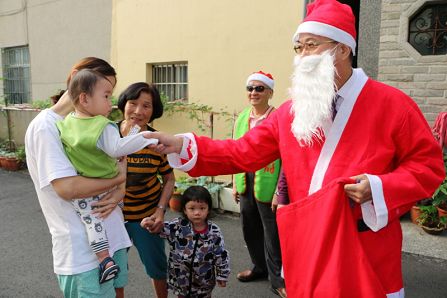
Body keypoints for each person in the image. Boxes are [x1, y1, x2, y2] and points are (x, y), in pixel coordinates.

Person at [144, 0, 445, 296]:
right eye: (298, 47)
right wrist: (182, 144)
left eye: (311, 45)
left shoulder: (393, 104)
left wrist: (379, 187)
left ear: (343, 49)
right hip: (307, 239)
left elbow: (428, 167)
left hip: (364, 242)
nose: (302, 55)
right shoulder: (290, 112)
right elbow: (242, 151)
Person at [25, 57, 131, 298]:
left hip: (112, 239)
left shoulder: (90, 122)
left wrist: (121, 188)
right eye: (105, 94)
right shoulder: (46, 127)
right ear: (77, 79)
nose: (109, 102)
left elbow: (115, 161)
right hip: (82, 253)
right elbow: (67, 187)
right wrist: (118, 180)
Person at [56, 70, 157, 284]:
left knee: (92, 221)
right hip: (107, 185)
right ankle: (105, 260)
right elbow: (117, 149)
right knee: (100, 219)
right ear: (84, 98)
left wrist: (132, 134)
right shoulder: (103, 125)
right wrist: (147, 137)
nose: (110, 103)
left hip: (84, 186)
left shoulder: (65, 123)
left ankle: (105, 260)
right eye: (106, 96)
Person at [117, 82, 175, 298]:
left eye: (146, 106)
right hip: (113, 219)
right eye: (133, 103)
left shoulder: (157, 141)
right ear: (124, 104)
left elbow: (169, 179)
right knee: (115, 273)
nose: (138, 111)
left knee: (157, 269)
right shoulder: (108, 134)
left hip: (146, 218)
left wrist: (160, 210)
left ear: (154, 111)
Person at [232, 71, 285, 297]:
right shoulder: (243, 117)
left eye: (259, 88)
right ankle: (259, 267)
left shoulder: (280, 117)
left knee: (272, 232)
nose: (254, 92)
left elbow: (287, 158)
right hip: (246, 178)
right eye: (250, 88)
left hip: (269, 181)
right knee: (249, 227)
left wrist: (280, 192)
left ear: (270, 92)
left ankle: (278, 278)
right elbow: (234, 150)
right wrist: (234, 182)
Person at [141, 186, 230, 298]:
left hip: (204, 281)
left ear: (208, 209)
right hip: (180, 279)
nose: (197, 212)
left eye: (202, 208)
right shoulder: (177, 226)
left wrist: (222, 275)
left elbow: (221, 255)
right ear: (184, 210)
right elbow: (161, 229)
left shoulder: (214, 231)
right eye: (192, 208)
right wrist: (150, 224)